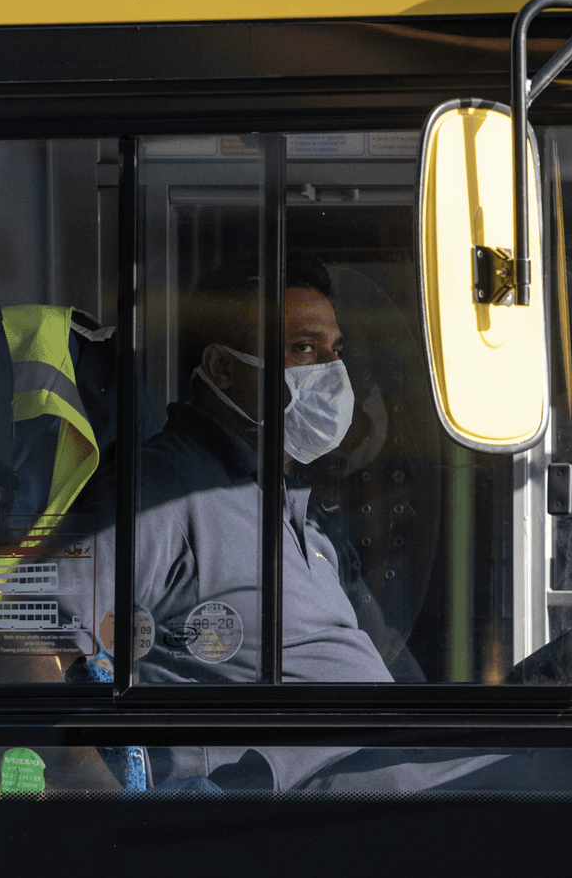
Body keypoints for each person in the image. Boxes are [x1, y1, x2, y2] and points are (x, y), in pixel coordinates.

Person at [71, 254, 394, 685]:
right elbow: (25, 642)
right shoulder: (162, 492)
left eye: (335, 350)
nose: (332, 370)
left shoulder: (299, 519)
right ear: (222, 367)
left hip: (385, 746)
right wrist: (81, 756)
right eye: (303, 347)